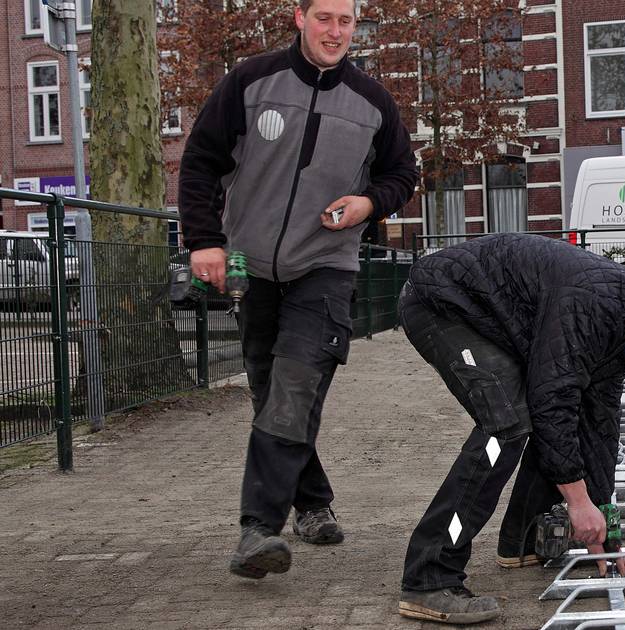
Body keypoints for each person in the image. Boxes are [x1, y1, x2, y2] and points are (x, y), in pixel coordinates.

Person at [178, 0, 419, 579]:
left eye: (347, 21)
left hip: (327, 265)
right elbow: (200, 162)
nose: (336, 32)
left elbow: (402, 175)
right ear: (299, 17)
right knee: (269, 389)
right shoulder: (250, 81)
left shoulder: (373, 103)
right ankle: (311, 503)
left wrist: (368, 203)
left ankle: (257, 530)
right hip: (245, 261)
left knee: (296, 382)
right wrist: (205, 241)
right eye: (325, 18)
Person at [396, 233, 625, 624]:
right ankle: (429, 577)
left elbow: (597, 427)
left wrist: (604, 532)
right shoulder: (594, 307)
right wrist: (578, 504)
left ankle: (523, 544)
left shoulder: (620, 328)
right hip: (440, 303)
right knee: (508, 423)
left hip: (483, 315)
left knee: (549, 415)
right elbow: (554, 403)